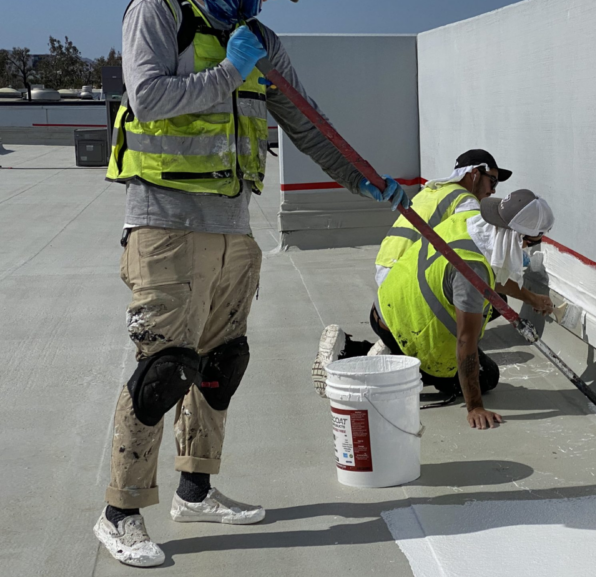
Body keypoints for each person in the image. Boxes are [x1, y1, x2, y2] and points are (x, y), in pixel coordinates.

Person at [95, 0, 411, 568]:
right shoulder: (158, 12)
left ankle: (195, 492)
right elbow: (149, 98)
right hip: (166, 223)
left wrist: (362, 178)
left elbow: (307, 121)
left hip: (234, 229)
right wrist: (229, 73)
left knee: (219, 364)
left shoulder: (258, 36)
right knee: (163, 370)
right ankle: (120, 513)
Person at [310, 151, 554, 397]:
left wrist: (528, 294)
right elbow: (467, 327)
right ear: (474, 174)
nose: (492, 190)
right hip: (412, 285)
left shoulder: (437, 192)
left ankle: (373, 348)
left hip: (392, 281)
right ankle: (372, 367)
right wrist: (475, 406)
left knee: (479, 300)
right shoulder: (466, 205)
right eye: (492, 180)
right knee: (485, 367)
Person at [372, 189, 555, 429]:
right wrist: (475, 406)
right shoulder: (472, 272)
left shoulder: (468, 221)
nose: (528, 248)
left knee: (492, 308)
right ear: (516, 236)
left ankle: (390, 353)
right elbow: (465, 340)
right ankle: (373, 360)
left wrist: (531, 298)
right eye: (531, 242)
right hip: (407, 329)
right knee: (488, 376)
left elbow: (494, 270)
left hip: (386, 307)